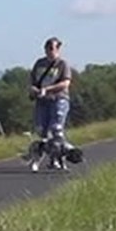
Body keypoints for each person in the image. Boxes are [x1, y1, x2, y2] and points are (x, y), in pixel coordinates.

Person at [27, 36, 76, 170]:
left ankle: (62, 157)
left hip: (58, 99)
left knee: (56, 129)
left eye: (52, 48)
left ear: (58, 49)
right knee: (42, 131)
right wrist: (33, 89)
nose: (49, 51)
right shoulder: (39, 63)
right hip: (42, 101)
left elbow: (65, 83)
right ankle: (51, 158)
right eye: (47, 48)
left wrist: (47, 90)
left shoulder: (62, 65)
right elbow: (32, 80)